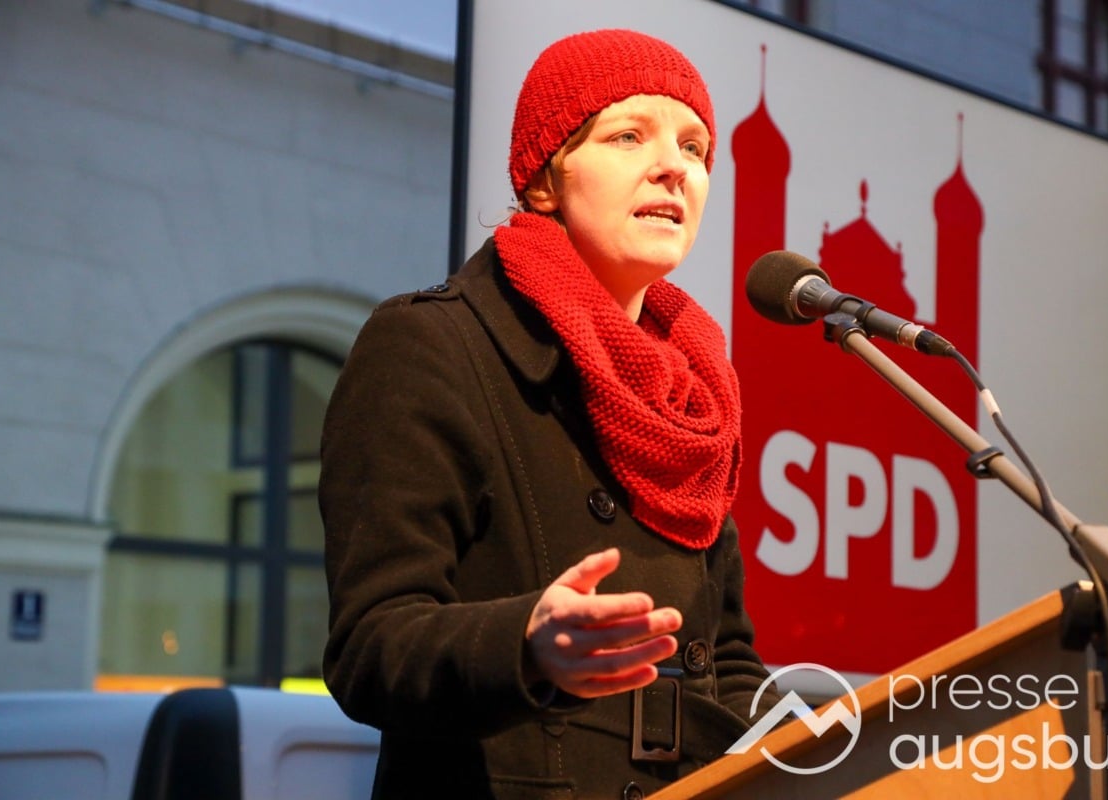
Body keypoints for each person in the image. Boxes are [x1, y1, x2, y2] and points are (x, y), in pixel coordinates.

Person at [320, 28, 776, 799]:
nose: (675, 166)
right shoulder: (433, 344)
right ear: (543, 178)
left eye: (695, 147)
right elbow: (371, 644)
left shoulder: (693, 391)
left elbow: (724, 660)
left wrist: (816, 756)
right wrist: (527, 644)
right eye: (628, 136)